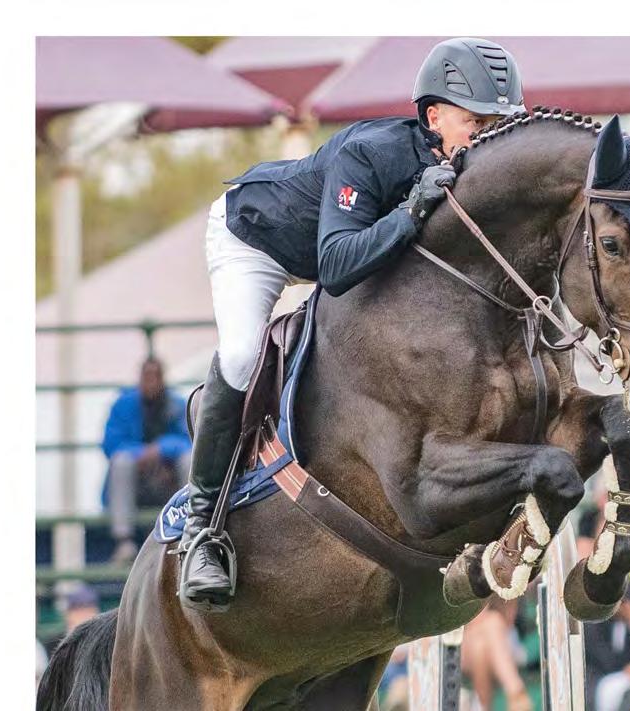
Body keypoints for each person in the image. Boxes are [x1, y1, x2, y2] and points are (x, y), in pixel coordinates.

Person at [181, 37, 528, 607]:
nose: (487, 136)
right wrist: (413, 208)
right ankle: (202, 531)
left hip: (337, 252)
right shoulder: (371, 152)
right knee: (242, 353)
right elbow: (337, 266)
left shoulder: (466, 166)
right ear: (434, 117)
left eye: (498, 124)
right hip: (258, 241)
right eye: (476, 122)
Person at [102, 357, 192, 564]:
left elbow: (190, 441)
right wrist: (141, 454)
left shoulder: (177, 405)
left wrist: (160, 449)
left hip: (167, 483)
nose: (151, 382)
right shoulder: (122, 406)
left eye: (155, 376)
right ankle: (124, 541)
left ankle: (190, 530)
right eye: (147, 376)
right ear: (140, 378)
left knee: (188, 460)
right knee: (121, 462)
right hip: (134, 485)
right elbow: (111, 444)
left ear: (163, 379)